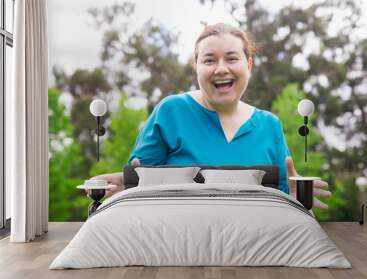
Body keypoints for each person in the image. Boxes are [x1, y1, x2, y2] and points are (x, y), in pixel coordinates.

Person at [90, 23, 331, 209]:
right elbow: (140, 184)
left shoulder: (270, 125)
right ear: (196, 67)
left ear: (248, 65)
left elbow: (278, 198)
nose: (221, 68)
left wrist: (291, 198)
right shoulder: (171, 112)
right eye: (209, 60)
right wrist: (128, 187)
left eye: (231, 58)